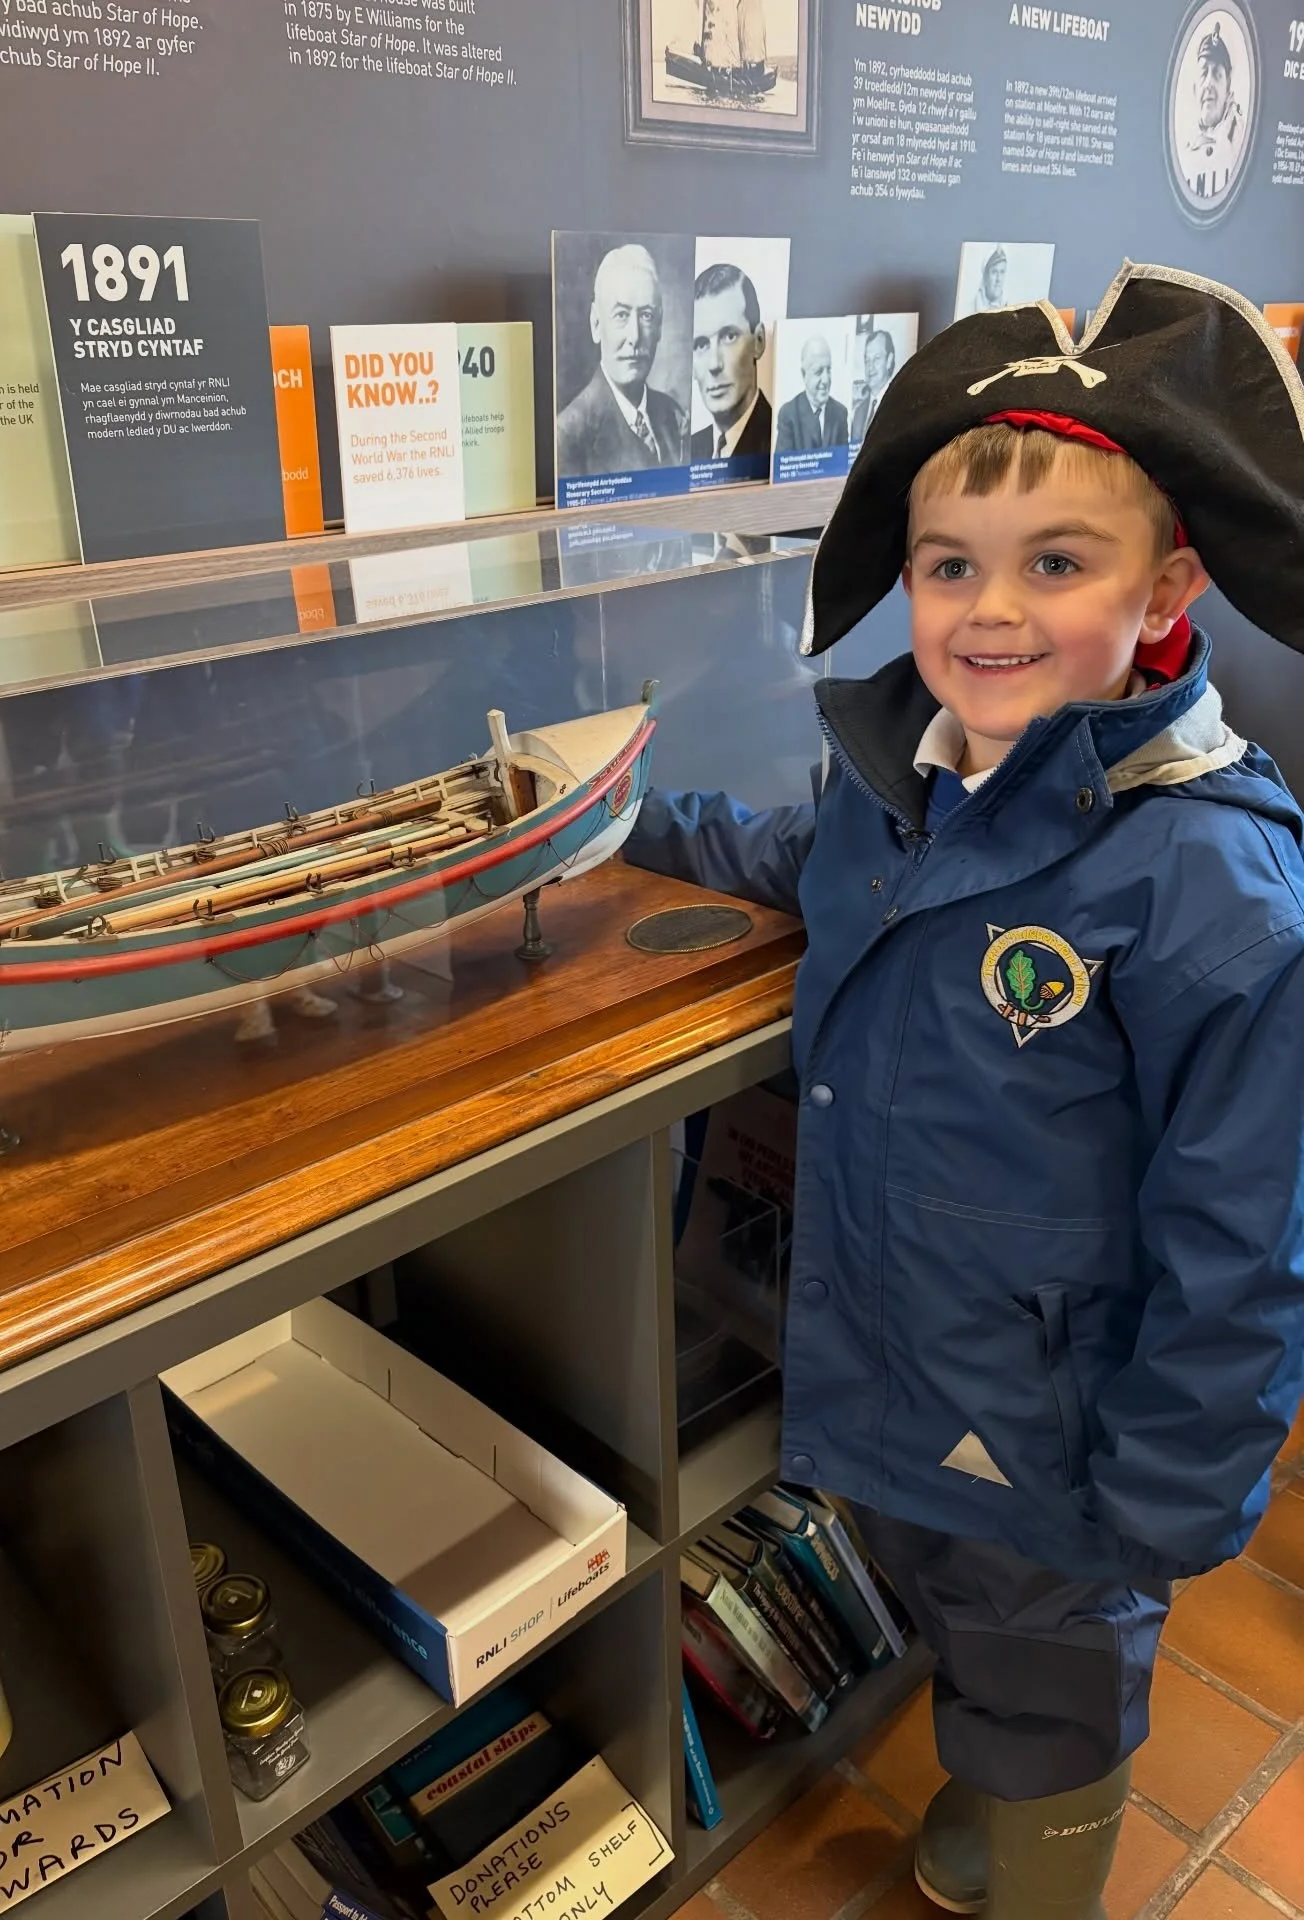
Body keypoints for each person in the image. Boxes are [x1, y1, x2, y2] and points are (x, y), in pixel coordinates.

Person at [626, 262, 1304, 1918]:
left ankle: (1043, 1874)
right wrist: (615, 813)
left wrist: (1169, 1494)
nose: (987, 613)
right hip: (908, 1366)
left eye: (1055, 564)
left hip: (1066, 1438)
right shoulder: (907, 776)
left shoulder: (1217, 886)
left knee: (1051, 1685)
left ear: (1165, 590)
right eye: (950, 567)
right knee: (953, 1622)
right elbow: (789, 856)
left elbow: (1247, 1243)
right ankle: (999, 1821)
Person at [556, 244, 687, 478]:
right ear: (596, 324)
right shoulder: (567, 436)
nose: (635, 337)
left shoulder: (675, 418)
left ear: (659, 327)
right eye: (621, 315)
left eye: (646, 315)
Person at [690, 263, 772, 462]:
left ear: (759, 341)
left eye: (729, 336)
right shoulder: (688, 450)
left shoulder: (780, 442)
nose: (714, 364)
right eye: (701, 345)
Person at [1184, 21, 1246, 201]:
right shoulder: (1185, 146)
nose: (1209, 83)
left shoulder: (1242, 139)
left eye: (1217, 74)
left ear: (1228, 85)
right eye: (1204, 73)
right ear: (1195, 88)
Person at [775, 335, 849, 453]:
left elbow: (845, 463)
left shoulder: (840, 413)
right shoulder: (788, 414)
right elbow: (784, 466)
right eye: (818, 372)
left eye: (828, 370)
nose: (826, 380)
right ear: (804, 374)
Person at [850, 325, 896, 441]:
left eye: (876, 359)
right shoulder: (858, 412)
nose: (870, 367)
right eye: (867, 360)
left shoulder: (899, 405)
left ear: (889, 361)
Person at [974, 244, 1009, 314]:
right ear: (985, 276)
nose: (998, 279)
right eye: (994, 272)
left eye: (1002, 272)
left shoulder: (1011, 306)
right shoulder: (971, 308)